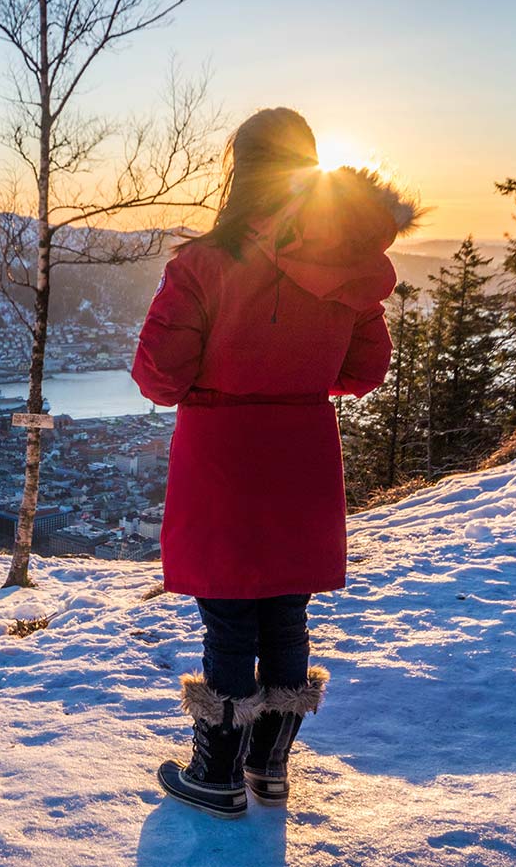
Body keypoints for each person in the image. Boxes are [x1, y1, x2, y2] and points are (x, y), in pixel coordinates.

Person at [131, 107, 421, 818]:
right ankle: (270, 767)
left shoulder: (202, 264)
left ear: (241, 168)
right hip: (302, 453)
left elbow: (158, 377)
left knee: (228, 618)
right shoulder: (348, 268)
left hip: (222, 453)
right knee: (285, 614)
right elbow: (363, 371)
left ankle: (217, 773)